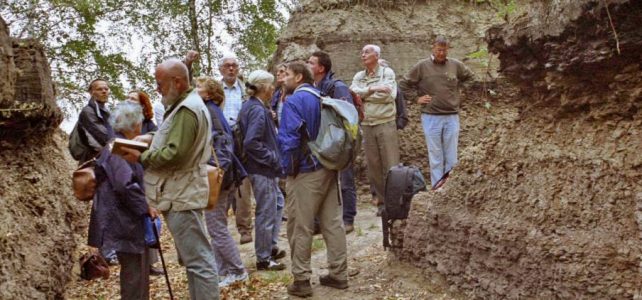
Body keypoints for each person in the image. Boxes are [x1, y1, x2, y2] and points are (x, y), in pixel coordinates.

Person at [120, 58, 220, 299]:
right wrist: (151, 138)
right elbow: (174, 138)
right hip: (181, 192)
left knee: (199, 262)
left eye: (160, 83)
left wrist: (141, 157)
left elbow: (175, 153)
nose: (157, 89)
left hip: (181, 194)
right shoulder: (184, 104)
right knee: (195, 261)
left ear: (177, 81)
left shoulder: (187, 108)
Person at [278, 62, 348, 297]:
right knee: (333, 223)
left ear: (298, 77)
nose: (282, 79)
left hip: (305, 172)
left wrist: (288, 171)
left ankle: (301, 280)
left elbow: (289, 141)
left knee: (300, 225)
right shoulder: (322, 96)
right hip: (329, 167)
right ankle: (339, 274)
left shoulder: (294, 102)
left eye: (286, 75)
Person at [88, 102, 155, 300]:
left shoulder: (119, 144)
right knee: (134, 274)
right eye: (140, 122)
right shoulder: (117, 148)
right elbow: (125, 185)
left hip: (125, 218)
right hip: (124, 221)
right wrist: (146, 207)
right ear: (134, 125)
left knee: (139, 270)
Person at [399, 36, 474, 190]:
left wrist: (461, 92)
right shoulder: (422, 66)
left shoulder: (455, 65)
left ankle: (450, 189)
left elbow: (471, 78)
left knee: (452, 157)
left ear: (448, 50)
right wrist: (416, 98)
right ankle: (437, 189)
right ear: (432, 48)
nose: (441, 53)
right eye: (439, 50)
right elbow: (403, 84)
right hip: (431, 117)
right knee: (436, 156)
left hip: (452, 116)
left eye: (444, 50)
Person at [195, 76, 249, 287]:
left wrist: (218, 171)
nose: (195, 90)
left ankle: (237, 270)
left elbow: (224, 145)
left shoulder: (210, 111)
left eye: (199, 87)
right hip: (220, 177)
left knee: (216, 227)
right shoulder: (209, 110)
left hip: (218, 178)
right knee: (216, 225)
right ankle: (223, 271)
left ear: (209, 94)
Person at [238, 70, 287, 271]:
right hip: (262, 169)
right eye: (271, 85)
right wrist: (273, 158)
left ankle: (270, 246)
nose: (273, 88)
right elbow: (251, 142)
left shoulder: (252, 106)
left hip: (261, 168)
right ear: (264, 87)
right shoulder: (257, 110)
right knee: (266, 211)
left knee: (277, 203)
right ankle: (264, 258)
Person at [308, 51, 358, 234]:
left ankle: (348, 219)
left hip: (341, 143)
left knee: (346, 181)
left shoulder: (337, 87)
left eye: (311, 63)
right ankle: (320, 222)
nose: (308, 65)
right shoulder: (312, 88)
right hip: (323, 143)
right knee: (324, 182)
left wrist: (346, 144)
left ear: (321, 68)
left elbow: (348, 115)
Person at [350, 44, 400, 215]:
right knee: (374, 167)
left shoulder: (387, 73)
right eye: (362, 52)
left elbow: (389, 96)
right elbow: (353, 94)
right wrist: (372, 88)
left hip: (385, 122)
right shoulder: (359, 76)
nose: (363, 55)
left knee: (391, 163)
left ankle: (395, 202)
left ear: (377, 56)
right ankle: (382, 202)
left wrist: (365, 97)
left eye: (367, 52)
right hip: (367, 124)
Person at [219, 56, 254, 244]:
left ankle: (245, 229)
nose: (231, 69)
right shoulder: (214, 90)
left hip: (241, 139)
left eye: (234, 66)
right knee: (222, 182)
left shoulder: (246, 90)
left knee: (243, 185)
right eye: (227, 66)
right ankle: (220, 228)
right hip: (221, 140)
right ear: (221, 70)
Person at [76, 79, 115, 164]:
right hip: (93, 162)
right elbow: (103, 137)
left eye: (106, 89)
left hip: (108, 160)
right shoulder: (88, 112)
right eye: (99, 89)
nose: (104, 91)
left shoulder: (107, 113)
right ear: (91, 92)